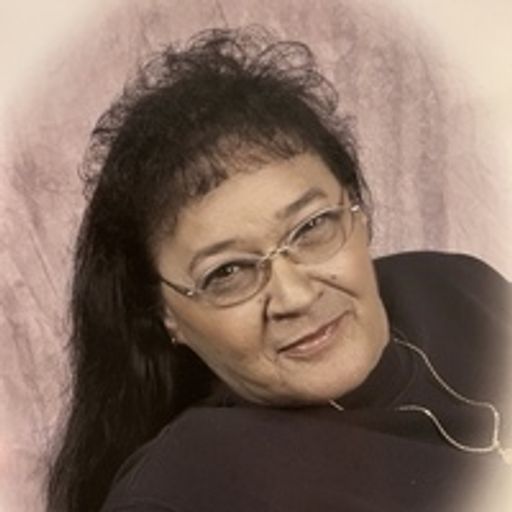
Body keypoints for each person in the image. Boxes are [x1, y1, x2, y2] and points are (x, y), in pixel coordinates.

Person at [47, 26, 512, 512]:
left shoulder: (459, 289)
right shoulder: (177, 493)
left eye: (311, 226)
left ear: (357, 211)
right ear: (165, 314)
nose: (295, 296)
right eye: (227, 273)